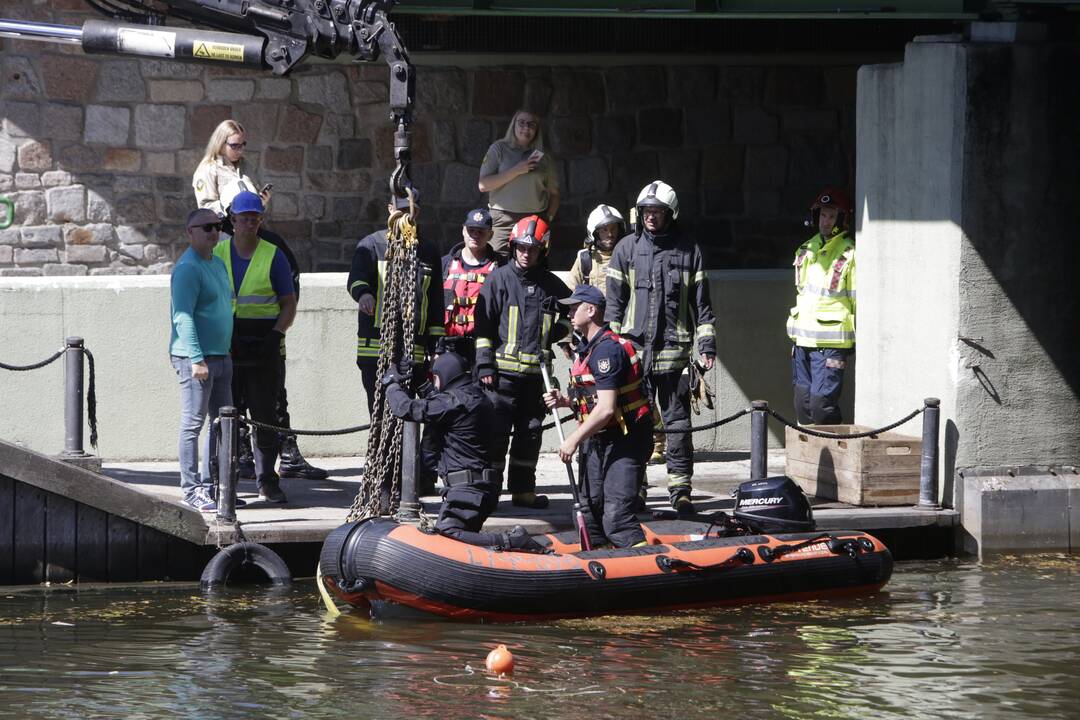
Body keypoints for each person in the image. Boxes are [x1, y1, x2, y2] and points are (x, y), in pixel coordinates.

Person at [192, 118, 326, 482]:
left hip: (263, 333)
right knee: (228, 406)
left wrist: (276, 333)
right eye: (235, 145)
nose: (241, 151)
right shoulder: (209, 173)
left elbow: (288, 298)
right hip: (228, 334)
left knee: (269, 400)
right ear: (221, 144)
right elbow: (210, 213)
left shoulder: (269, 248)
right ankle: (238, 464)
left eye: (243, 145)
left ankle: (278, 461)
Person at [605, 180, 717, 516]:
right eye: (647, 212)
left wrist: (707, 345)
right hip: (634, 359)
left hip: (674, 360)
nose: (651, 217)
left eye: (658, 212)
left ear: (671, 214)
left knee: (678, 427)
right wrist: (610, 349)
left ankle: (680, 492)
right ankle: (634, 491)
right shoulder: (625, 249)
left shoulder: (689, 251)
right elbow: (614, 304)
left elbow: (703, 307)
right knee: (636, 429)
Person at [382, 350, 544, 552]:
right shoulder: (475, 396)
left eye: (435, 378)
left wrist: (391, 383)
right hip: (479, 487)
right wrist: (419, 381)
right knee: (460, 544)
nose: (434, 382)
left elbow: (405, 408)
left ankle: (512, 541)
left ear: (445, 376)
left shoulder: (456, 401)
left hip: (468, 490)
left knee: (449, 535)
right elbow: (440, 405)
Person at [347, 190, 445, 493]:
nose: (405, 216)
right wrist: (364, 295)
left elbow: (436, 303)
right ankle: (384, 483)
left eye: (411, 210)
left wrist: (437, 348)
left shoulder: (427, 251)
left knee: (415, 416)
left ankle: (413, 479)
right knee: (382, 417)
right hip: (377, 351)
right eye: (400, 210)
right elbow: (356, 280)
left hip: (414, 353)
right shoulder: (372, 245)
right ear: (390, 208)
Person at [474, 215, 571, 509]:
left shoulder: (552, 285)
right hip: (501, 376)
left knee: (530, 435)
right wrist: (485, 365)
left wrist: (559, 331)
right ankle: (488, 492)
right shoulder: (498, 279)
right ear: (513, 247)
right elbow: (483, 324)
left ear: (543, 250)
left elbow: (573, 315)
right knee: (496, 435)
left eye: (532, 249)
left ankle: (523, 491)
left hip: (536, 379)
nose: (526, 253)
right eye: (521, 247)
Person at [544, 285, 650, 548]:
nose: (569, 313)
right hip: (599, 438)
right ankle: (600, 564)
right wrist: (566, 401)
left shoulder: (607, 351)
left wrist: (573, 440)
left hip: (625, 438)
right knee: (589, 512)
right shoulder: (586, 348)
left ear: (590, 310)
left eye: (573, 307)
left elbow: (605, 409)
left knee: (617, 517)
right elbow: (593, 400)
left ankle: (642, 571)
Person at [213, 191, 296, 504]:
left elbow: (288, 303)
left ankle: (267, 481)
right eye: (243, 217)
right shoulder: (218, 253)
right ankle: (227, 484)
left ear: (260, 220)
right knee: (227, 418)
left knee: (264, 417)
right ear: (232, 220)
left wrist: (275, 336)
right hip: (226, 344)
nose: (248, 223)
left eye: (254, 217)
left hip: (263, 345)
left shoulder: (273, 254)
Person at [170, 209, 238, 512]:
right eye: (207, 227)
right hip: (195, 359)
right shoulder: (187, 268)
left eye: (218, 226)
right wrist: (197, 359)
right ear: (190, 232)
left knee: (222, 424)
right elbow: (182, 318)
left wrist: (225, 351)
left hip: (222, 356)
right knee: (193, 423)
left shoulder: (219, 263)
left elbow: (222, 309)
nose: (214, 231)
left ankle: (214, 486)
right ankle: (192, 488)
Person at [787, 188, 856, 425]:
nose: (825, 222)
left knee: (821, 404)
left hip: (831, 342)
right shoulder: (806, 250)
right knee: (802, 404)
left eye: (831, 216)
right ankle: (808, 460)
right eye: (822, 215)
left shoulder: (850, 254)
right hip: (802, 341)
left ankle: (834, 459)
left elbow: (857, 299)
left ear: (842, 219)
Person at [477, 110, 560, 257]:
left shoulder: (544, 157)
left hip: (535, 219)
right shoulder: (498, 149)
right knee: (499, 264)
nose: (526, 128)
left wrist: (548, 218)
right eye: (521, 123)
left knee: (534, 266)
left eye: (531, 124)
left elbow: (554, 194)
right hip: (502, 220)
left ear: (537, 130)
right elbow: (483, 185)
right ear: (513, 125)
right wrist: (516, 170)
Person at [442, 207, 504, 365]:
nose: (475, 235)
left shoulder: (502, 268)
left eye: (481, 231)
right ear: (463, 230)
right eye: (471, 230)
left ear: (490, 234)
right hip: (448, 346)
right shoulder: (445, 264)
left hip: (486, 348)